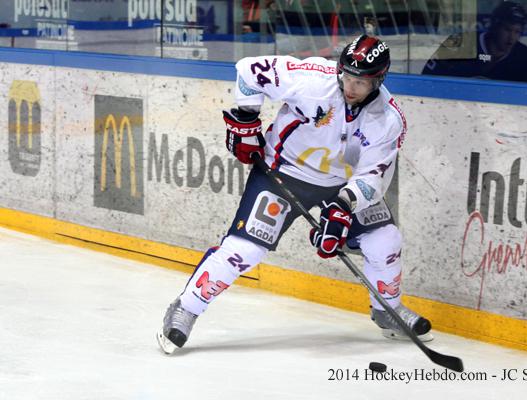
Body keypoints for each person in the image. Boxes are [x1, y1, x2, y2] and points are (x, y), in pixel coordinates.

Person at [156, 34, 432, 354]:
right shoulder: (313, 79)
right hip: (281, 173)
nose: (351, 86)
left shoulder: (388, 120)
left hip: (341, 186)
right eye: (347, 76)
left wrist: (343, 206)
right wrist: (245, 121)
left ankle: (388, 309)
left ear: (379, 79)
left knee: (385, 240)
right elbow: (249, 70)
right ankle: (184, 309)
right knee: (245, 251)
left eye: (362, 81)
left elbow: (374, 175)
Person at [422, 1, 527, 83]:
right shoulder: (459, 44)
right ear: (495, 26)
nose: (511, 37)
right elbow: (426, 80)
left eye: (517, 32)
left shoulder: (525, 58)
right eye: (507, 29)